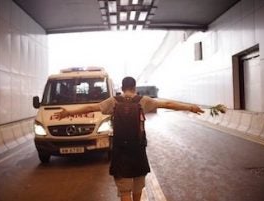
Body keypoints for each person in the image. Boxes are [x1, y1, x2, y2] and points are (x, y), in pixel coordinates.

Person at [54, 76, 204, 201]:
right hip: (138, 151)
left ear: (122, 87)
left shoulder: (113, 101)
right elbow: (167, 104)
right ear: (134, 87)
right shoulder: (142, 101)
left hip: (120, 152)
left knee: (125, 192)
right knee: (137, 191)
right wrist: (190, 107)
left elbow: (90, 108)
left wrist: (68, 113)